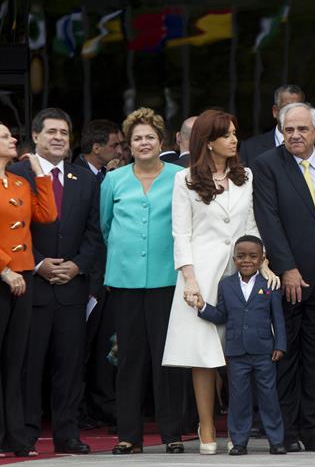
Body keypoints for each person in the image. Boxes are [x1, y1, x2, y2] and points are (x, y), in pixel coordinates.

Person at [162, 109, 279, 454]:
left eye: (234, 133)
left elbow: (253, 225)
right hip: (201, 271)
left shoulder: (247, 176)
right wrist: (189, 279)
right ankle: (207, 425)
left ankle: (238, 429)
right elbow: (180, 233)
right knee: (204, 353)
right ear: (208, 141)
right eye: (226, 134)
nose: (234, 140)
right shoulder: (183, 180)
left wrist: (265, 264)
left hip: (240, 270)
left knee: (238, 352)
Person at [252, 103, 315, 452]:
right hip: (286, 279)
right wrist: (287, 267)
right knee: (286, 357)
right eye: (288, 129)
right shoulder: (266, 164)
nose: (295, 135)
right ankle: (286, 432)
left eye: (302, 129)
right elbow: (269, 220)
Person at [9, 108, 101, 455]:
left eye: (64, 132)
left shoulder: (86, 179)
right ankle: (26, 433)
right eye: (51, 132)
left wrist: (77, 266)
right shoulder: (17, 174)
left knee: (70, 365)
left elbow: (96, 232)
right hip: (31, 287)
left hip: (72, 289)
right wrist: (37, 264)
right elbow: (10, 232)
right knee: (29, 367)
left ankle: (67, 433)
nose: (59, 137)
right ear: (36, 136)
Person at [99, 108, 185, 454]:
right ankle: (129, 435)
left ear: (161, 141)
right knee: (130, 357)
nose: (144, 142)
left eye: (150, 137)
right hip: (126, 281)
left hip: (168, 279)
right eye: (137, 138)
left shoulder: (180, 176)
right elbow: (106, 226)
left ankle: (172, 433)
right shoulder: (113, 181)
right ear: (128, 145)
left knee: (168, 359)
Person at [193, 235, 287, 456]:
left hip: (264, 350)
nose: (247, 260)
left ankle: (276, 440)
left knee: (269, 396)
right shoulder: (226, 284)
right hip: (236, 352)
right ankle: (239, 442)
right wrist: (202, 306)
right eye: (241, 256)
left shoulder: (270, 284)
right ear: (234, 259)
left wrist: (280, 345)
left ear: (262, 259)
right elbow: (222, 315)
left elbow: (278, 319)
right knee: (238, 399)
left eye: (253, 256)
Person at [0, 121, 56, 457]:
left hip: (23, 280)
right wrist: (4, 269)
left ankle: (16, 437)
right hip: (5, 277)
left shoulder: (19, 181)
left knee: (15, 361)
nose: (13, 140)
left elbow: (48, 214)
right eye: (5, 136)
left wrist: (37, 169)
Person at [73, 119, 121, 431]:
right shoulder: (76, 176)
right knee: (78, 349)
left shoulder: (108, 176)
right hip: (83, 280)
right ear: (96, 147)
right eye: (115, 145)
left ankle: (100, 405)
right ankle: (76, 410)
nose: (121, 150)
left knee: (102, 347)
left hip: (106, 279)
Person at [240, 85, 305, 167]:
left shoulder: (313, 146)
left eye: (297, 108)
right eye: (286, 108)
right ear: (275, 111)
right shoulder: (250, 148)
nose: (292, 114)